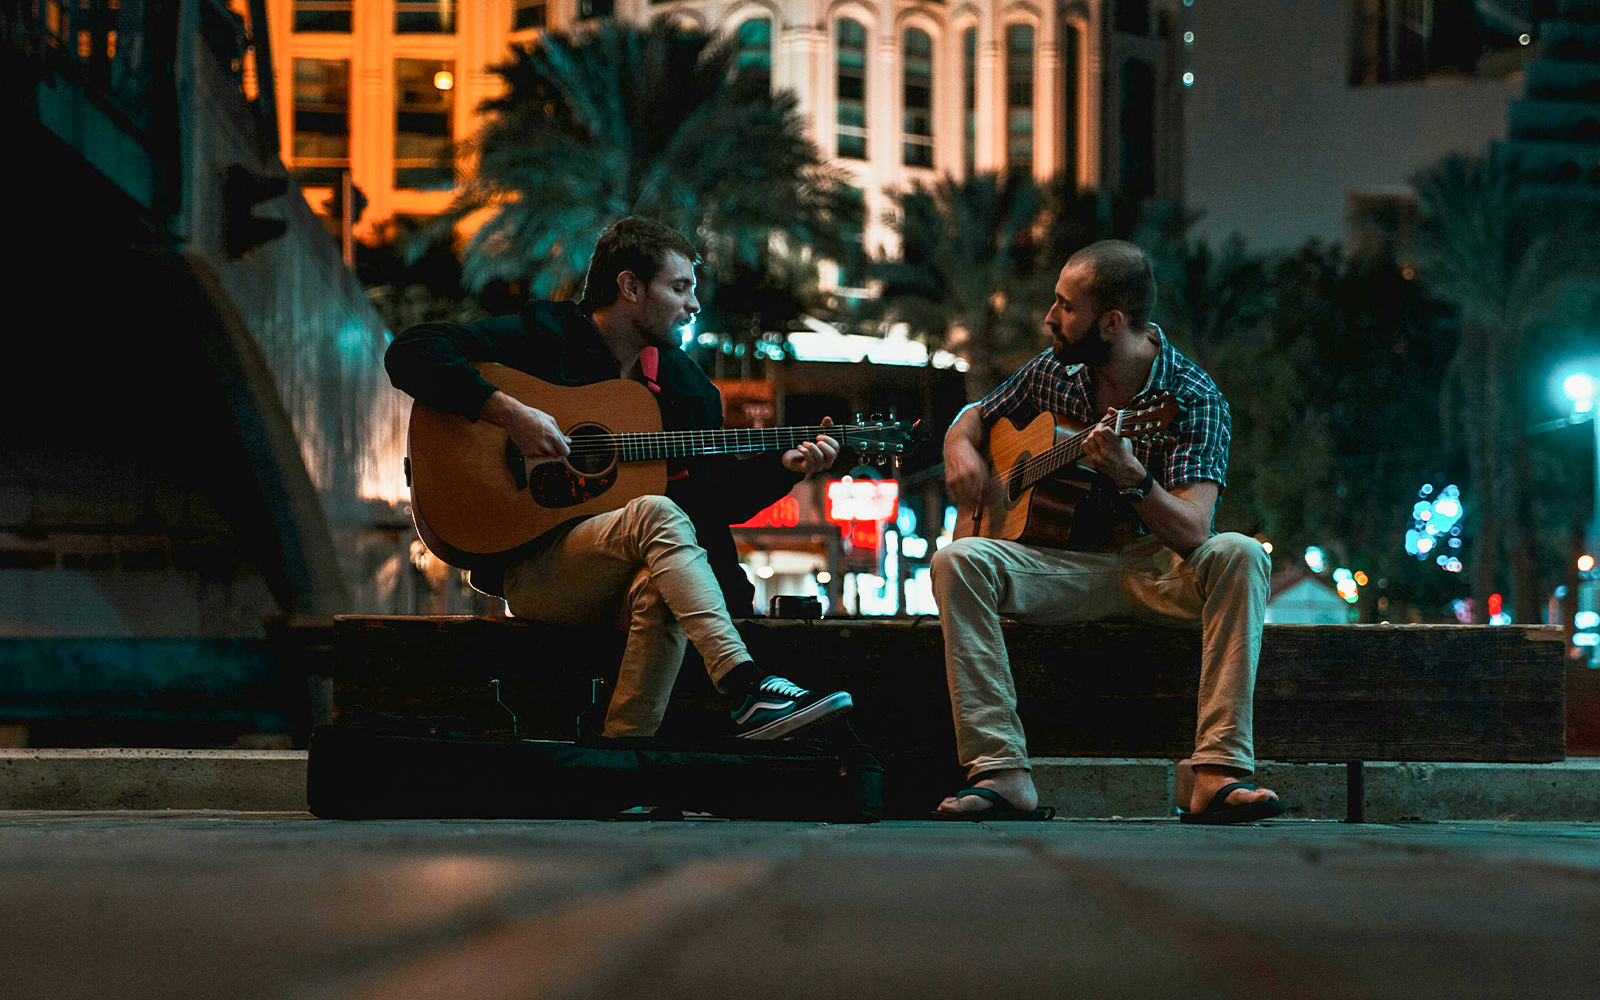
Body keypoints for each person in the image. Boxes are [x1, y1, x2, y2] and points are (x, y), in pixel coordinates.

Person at [385, 216, 851, 740]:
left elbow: (716, 501)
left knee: (662, 587)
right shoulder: (544, 337)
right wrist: (508, 413)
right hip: (538, 571)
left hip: (624, 574)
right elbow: (410, 350)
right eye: (679, 288)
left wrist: (781, 470)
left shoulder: (687, 387)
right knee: (657, 511)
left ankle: (621, 758)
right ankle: (746, 686)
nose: (693, 305)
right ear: (630, 287)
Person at [931, 239, 1285, 824]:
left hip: (1157, 572)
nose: (1050, 318)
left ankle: (1217, 774)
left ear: (1112, 322)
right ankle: (1001, 773)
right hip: (1065, 571)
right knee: (957, 560)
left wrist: (1132, 476)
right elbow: (978, 416)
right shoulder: (1057, 371)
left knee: (1240, 553)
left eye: (1066, 307)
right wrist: (959, 449)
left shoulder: (1193, 399)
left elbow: (1196, 532)